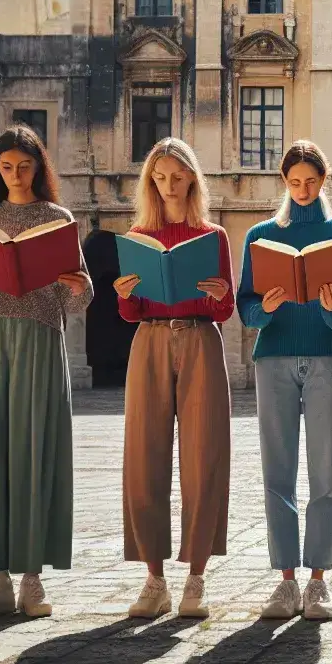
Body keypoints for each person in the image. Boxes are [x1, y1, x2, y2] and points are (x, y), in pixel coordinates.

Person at [0, 124, 92, 619]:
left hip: (40, 342)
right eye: (6, 167)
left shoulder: (58, 218)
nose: (15, 174)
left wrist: (74, 283)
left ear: (38, 167)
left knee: (34, 453)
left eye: (24, 166)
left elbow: (82, 298)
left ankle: (32, 580)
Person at [235, 140, 332, 621]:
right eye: (295, 182)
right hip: (273, 359)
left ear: (323, 181)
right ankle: (285, 581)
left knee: (325, 472)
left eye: (311, 181)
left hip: (329, 358)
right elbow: (245, 305)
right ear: (284, 183)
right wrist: (263, 308)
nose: (304, 189)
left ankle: (318, 581)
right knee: (277, 472)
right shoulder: (261, 235)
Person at [114, 137, 234, 620]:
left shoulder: (214, 236)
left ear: (191, 178)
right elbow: (130, 312)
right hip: (148, 342)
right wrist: (124, 295)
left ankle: (197, 577)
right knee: (143, 457)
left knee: (203, 457)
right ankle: (154, 578)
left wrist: (220, 293)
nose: (168, 184)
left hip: (202, 341)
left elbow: (224, 308)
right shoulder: (139, 234)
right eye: (159, 177)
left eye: (177, 175)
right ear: (150, 181)